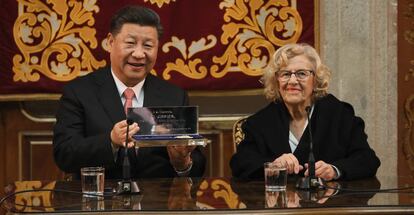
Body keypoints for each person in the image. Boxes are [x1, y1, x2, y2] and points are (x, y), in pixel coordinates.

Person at [53, 5, 205, 179]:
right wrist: (110, 141)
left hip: (158, 202)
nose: (139, 54)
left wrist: (182, 163)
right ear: (111, 42)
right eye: (130, 43)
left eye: (148, 46)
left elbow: (198, 165)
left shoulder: (174, 95)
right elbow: (64, 154)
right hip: (100, 199)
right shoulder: (79, 92)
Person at [230, 43, 380, 181]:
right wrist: (272, 165)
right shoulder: (260, 122)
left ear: (315, 80)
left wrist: (334, 170)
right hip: (279, 206)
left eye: (301, 74)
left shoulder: (340, 115)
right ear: (276, 81)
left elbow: (367, 159)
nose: (293, 81)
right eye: (285, 74)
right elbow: (240, 163)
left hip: (328, 205)